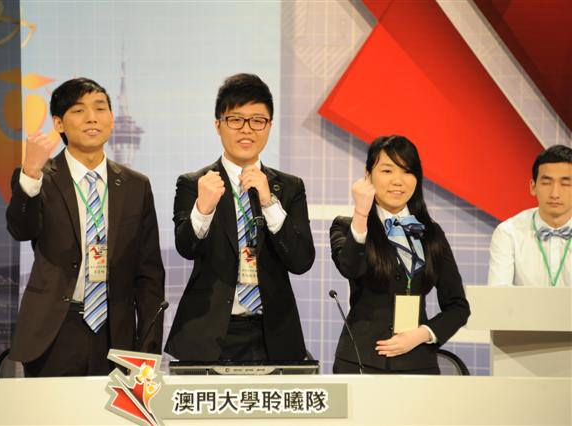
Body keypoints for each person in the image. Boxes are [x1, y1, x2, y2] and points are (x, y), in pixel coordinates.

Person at [6, 77, 165, 376]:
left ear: (111, 119)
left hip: (115, 331)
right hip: (55, 330)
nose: (92, 117)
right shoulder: (40, 178)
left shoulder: (136, 185)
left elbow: (149, 273)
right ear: (59, 123)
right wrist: (30, 173)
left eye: (100, 108)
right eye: (79, 110)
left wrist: (148, 346)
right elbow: (21, 230)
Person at [165, 73, 315, 362]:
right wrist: (203, 209)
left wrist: (269, 202)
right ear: (218, 125)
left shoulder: (289, 187)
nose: (247, 129)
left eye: (257, 120)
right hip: (209, 333)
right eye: (235, 120)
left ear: (269, 126)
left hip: (273, 334)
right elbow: (186, 248)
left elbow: (301, 261)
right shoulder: (195, 183)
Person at [329, 135, 470, 374]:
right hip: (361, 362)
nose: (398, 181)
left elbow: (458, 307)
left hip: (418, 364)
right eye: (387, 170)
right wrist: (361, 213)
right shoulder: (348, 227)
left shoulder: (431, 233)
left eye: (407, 171)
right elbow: (351, 268)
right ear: (368, 176)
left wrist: (421, 334)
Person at [488, 145, 572, 287]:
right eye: (546, 183)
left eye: (565, 184)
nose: (555, 194)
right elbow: (498, 294)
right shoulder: (508, 233)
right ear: (533, 187)